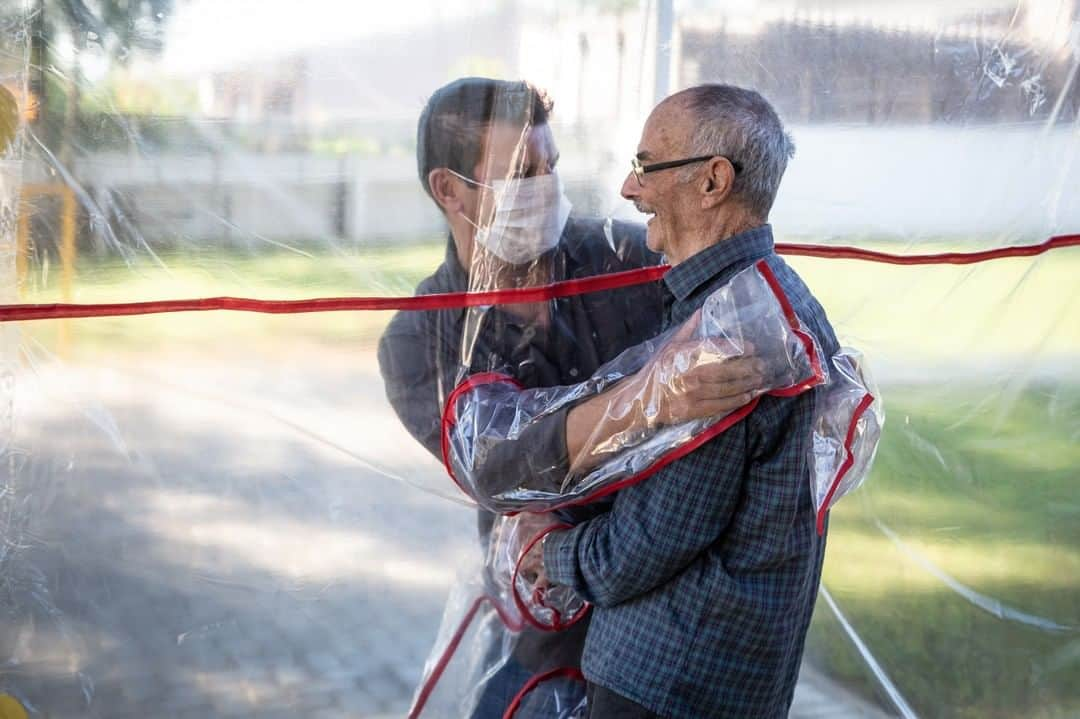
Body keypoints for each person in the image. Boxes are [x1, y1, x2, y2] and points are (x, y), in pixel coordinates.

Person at [377, 78, 765, 717]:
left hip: (665, 621)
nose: (545, 186)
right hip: (544, 626)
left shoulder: (633, 262)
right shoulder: (421, 338)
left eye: (551, 164)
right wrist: (653, 398)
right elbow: (501, 464)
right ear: (448, 190)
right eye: (520, 173)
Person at [539, 84, 840, 719]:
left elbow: (643, 546)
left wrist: (544, 549)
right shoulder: (756, 298)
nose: (628, 188)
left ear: (712, 182)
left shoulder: (730, 330)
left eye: (646, 166)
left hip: (669, 686)